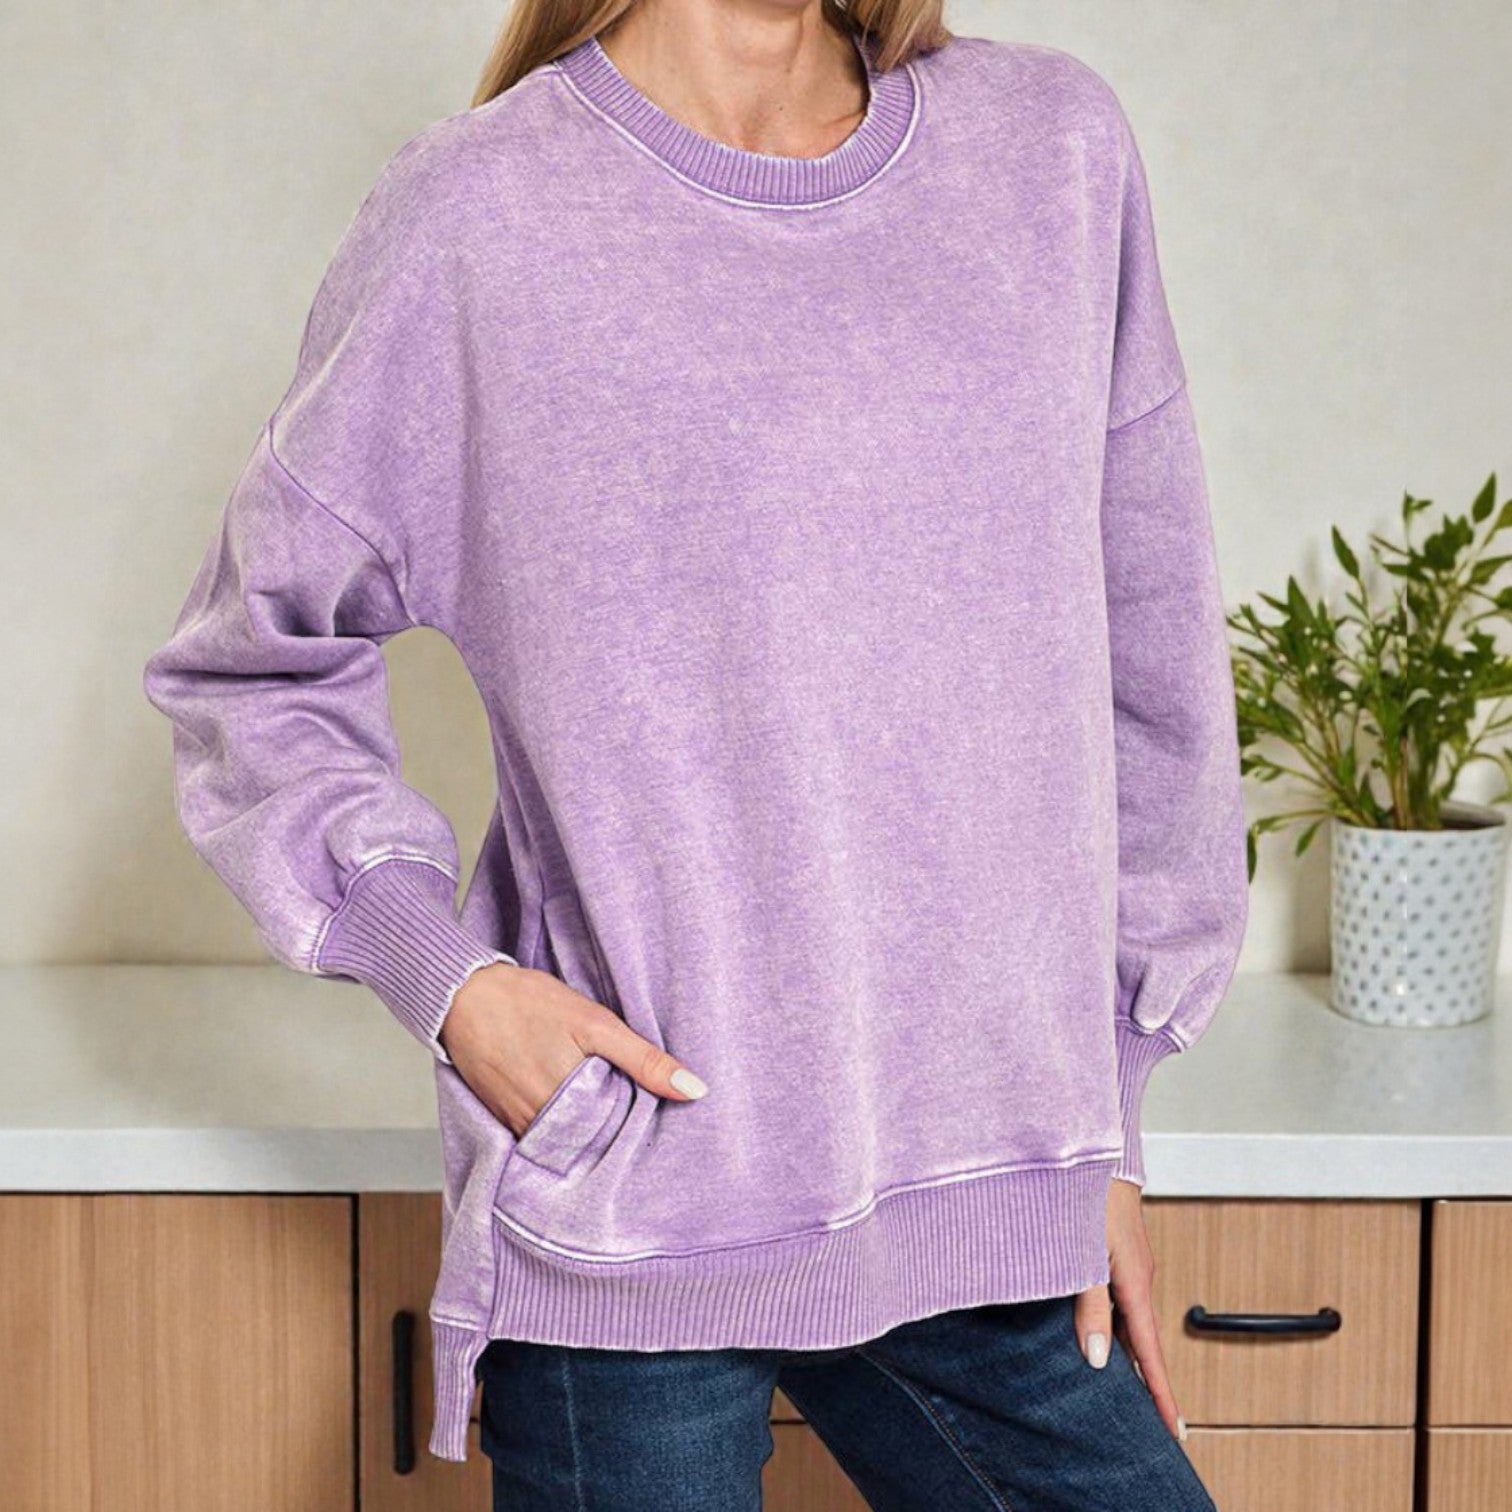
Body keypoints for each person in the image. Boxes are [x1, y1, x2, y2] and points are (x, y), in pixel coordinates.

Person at [141, 0, 1248, 1506]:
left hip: (985, 1194)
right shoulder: (480, 214)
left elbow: (1152, 646)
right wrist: (455, 986)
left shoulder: (1048, 153)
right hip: (635, 1206)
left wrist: (1098, 1124)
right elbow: (249, 660)